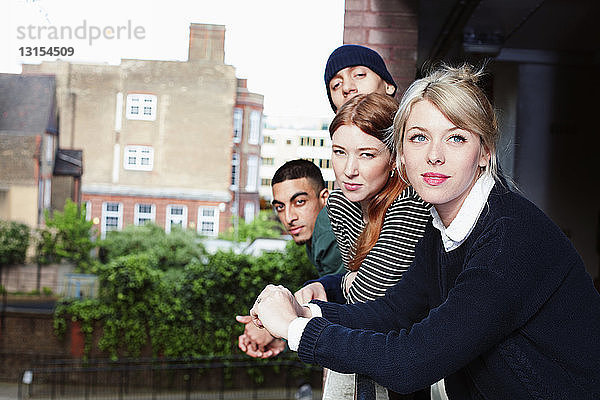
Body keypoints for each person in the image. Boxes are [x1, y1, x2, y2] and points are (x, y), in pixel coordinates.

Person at [249, 64, 600, 399]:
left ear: (484, 152)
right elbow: (395, 313)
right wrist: (303, 310)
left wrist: (295, 330)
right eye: (419, 138)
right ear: (400, 153)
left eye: (456, 138)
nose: (435, 155)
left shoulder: (509, 238)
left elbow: (411, 362)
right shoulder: (441, 230)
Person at [301, 93, 432, 400]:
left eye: (366, 154)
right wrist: (326, 286)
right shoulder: (351, 203)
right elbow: (356, 283)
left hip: (415, 371)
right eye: (339, 152)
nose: (349, 170)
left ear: (395, 156)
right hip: (381, 360)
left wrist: (332, 291)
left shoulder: (410, 203)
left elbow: (367, 298)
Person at [236, 159, 345, 358]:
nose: (288, 217)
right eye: (279, 207)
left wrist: (270, 323)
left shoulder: (325, 226)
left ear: (324, 198)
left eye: (299, 202)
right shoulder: (314, 237)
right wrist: (277, 332)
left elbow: (340, 298)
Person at [324, 44, 397, 112]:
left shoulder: (407, 124)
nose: (346, 88)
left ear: (388, 86)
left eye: (359, 74)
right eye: (337, 85)